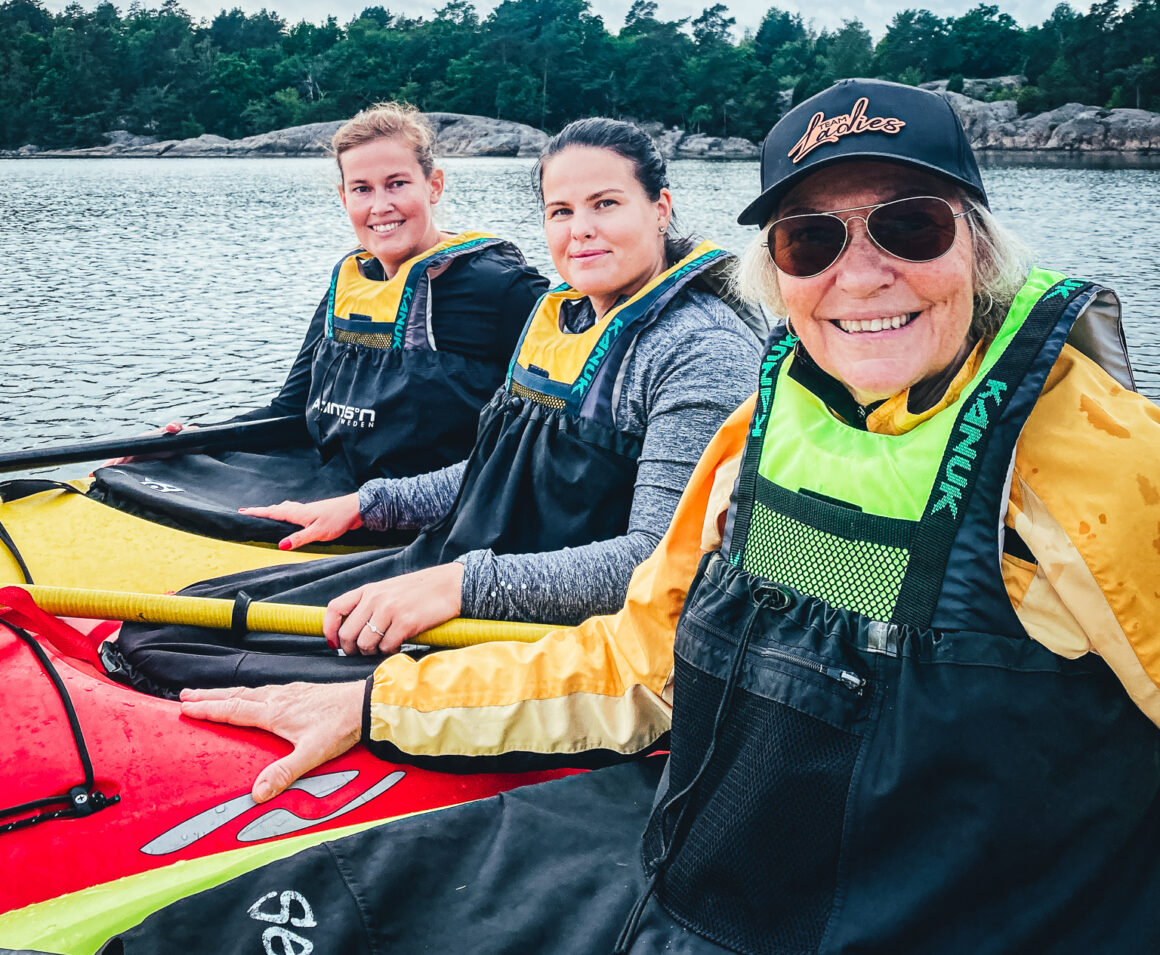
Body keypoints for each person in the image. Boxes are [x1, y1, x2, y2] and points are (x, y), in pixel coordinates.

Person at [156, 80, 1159, 955]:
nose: (857, 274)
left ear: (975, 241)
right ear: (776, 264)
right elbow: (645, 663)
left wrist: (453, 584)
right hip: (711, 868)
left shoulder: (1102, 463)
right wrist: (378, 703)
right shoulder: (758, 434)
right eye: (811, 238)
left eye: (908, 225)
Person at [109, 118, 764, 692]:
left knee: (184, 655)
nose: (581, 230)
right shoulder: (557, 314)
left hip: (559, 629)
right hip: (468, 568)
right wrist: (370, 504)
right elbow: (496, 472)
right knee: (175, 624)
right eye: (560, 210)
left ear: (660, 207)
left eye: (605, 203)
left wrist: (458, 585)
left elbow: (655, 565)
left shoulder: (699, 348)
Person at [88, 101, 548, 545]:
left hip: (432, 511)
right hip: (328, 480)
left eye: (397, 184)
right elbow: (291, 413)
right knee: (139, 476)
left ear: (434, 186)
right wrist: (197, 440)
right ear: (344, 196)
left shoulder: (505, 288)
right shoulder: (349, 285)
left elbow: (542, 445)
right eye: (362, 188)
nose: (380, 205)